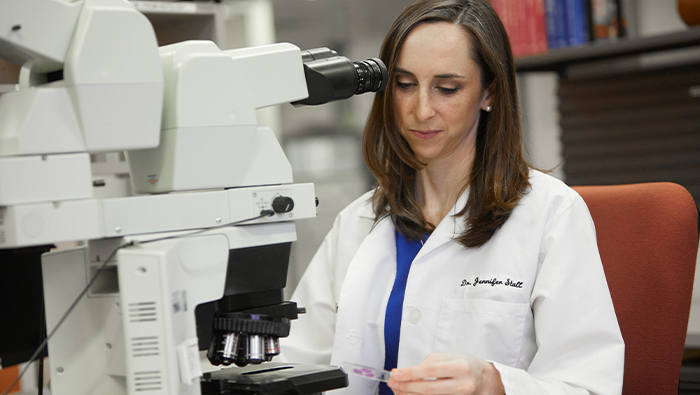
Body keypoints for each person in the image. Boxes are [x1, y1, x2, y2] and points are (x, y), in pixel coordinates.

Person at [280, 0, 625, 394]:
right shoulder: (357, 223)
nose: (421, 110)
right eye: (405, 85)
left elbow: (589, 386)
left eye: (447, 88)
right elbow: (296, 363)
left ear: (488, 92)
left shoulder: (552, 214)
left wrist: (493, 384)